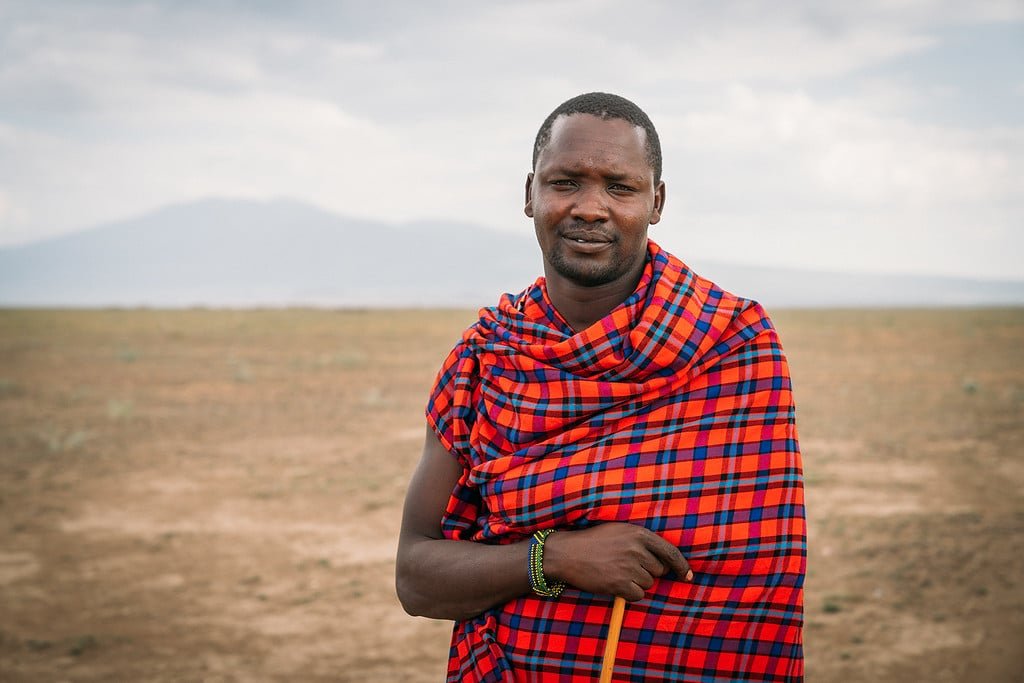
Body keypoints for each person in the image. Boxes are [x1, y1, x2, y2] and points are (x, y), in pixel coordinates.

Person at [396, 92, 806, 682]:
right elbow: (415, 578)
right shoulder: (485, 358)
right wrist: (554, 557)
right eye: (565, 183)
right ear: (529, 194)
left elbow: (759, 574)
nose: (590, 207)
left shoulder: (731, 344)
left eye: (620, 187)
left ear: (656, 202)